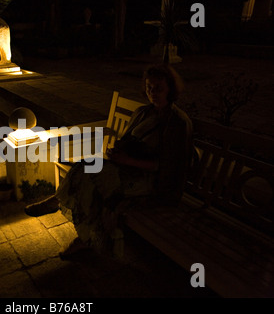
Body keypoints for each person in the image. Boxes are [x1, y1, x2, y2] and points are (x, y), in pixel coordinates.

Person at [25, 63, 193, 259]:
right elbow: (130, 141)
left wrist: (128, 159)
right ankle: (83, 232)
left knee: (92, 182)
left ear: (171, 89)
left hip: (150, 181)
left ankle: (77, 227)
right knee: (87, 168)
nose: (152, 93)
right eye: (149, 88)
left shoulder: (177, 122)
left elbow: (167, 167)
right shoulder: (144, 112)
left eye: (159, 88)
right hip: (126, 168)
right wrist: (119, 151)